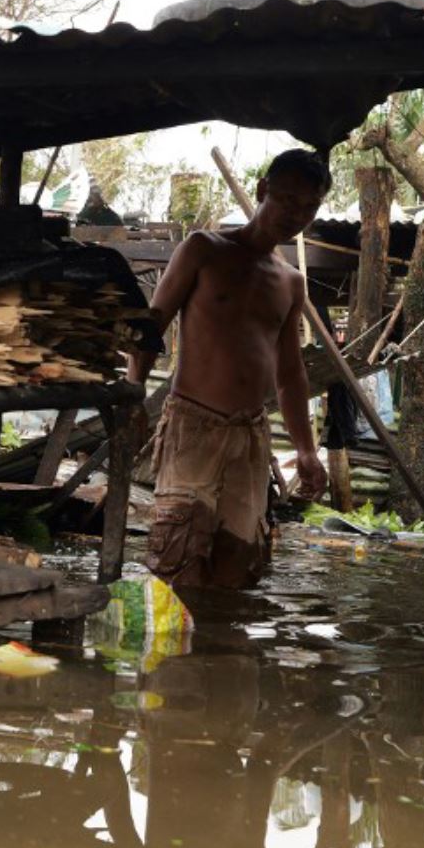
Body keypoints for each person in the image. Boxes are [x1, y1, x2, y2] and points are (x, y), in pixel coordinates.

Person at [128, 149, 330, 588]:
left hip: (252, 437)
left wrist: (307, 449)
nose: (296, 214)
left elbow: (291, 373)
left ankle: (221, 655)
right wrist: (133, 395)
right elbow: (150, 327)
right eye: (287, 200)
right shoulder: (204, 249)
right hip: (193, 427)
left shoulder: (291, 282)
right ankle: (172, 658)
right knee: (177, 563)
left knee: (239, 569)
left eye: (308, 207)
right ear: (262, 190)